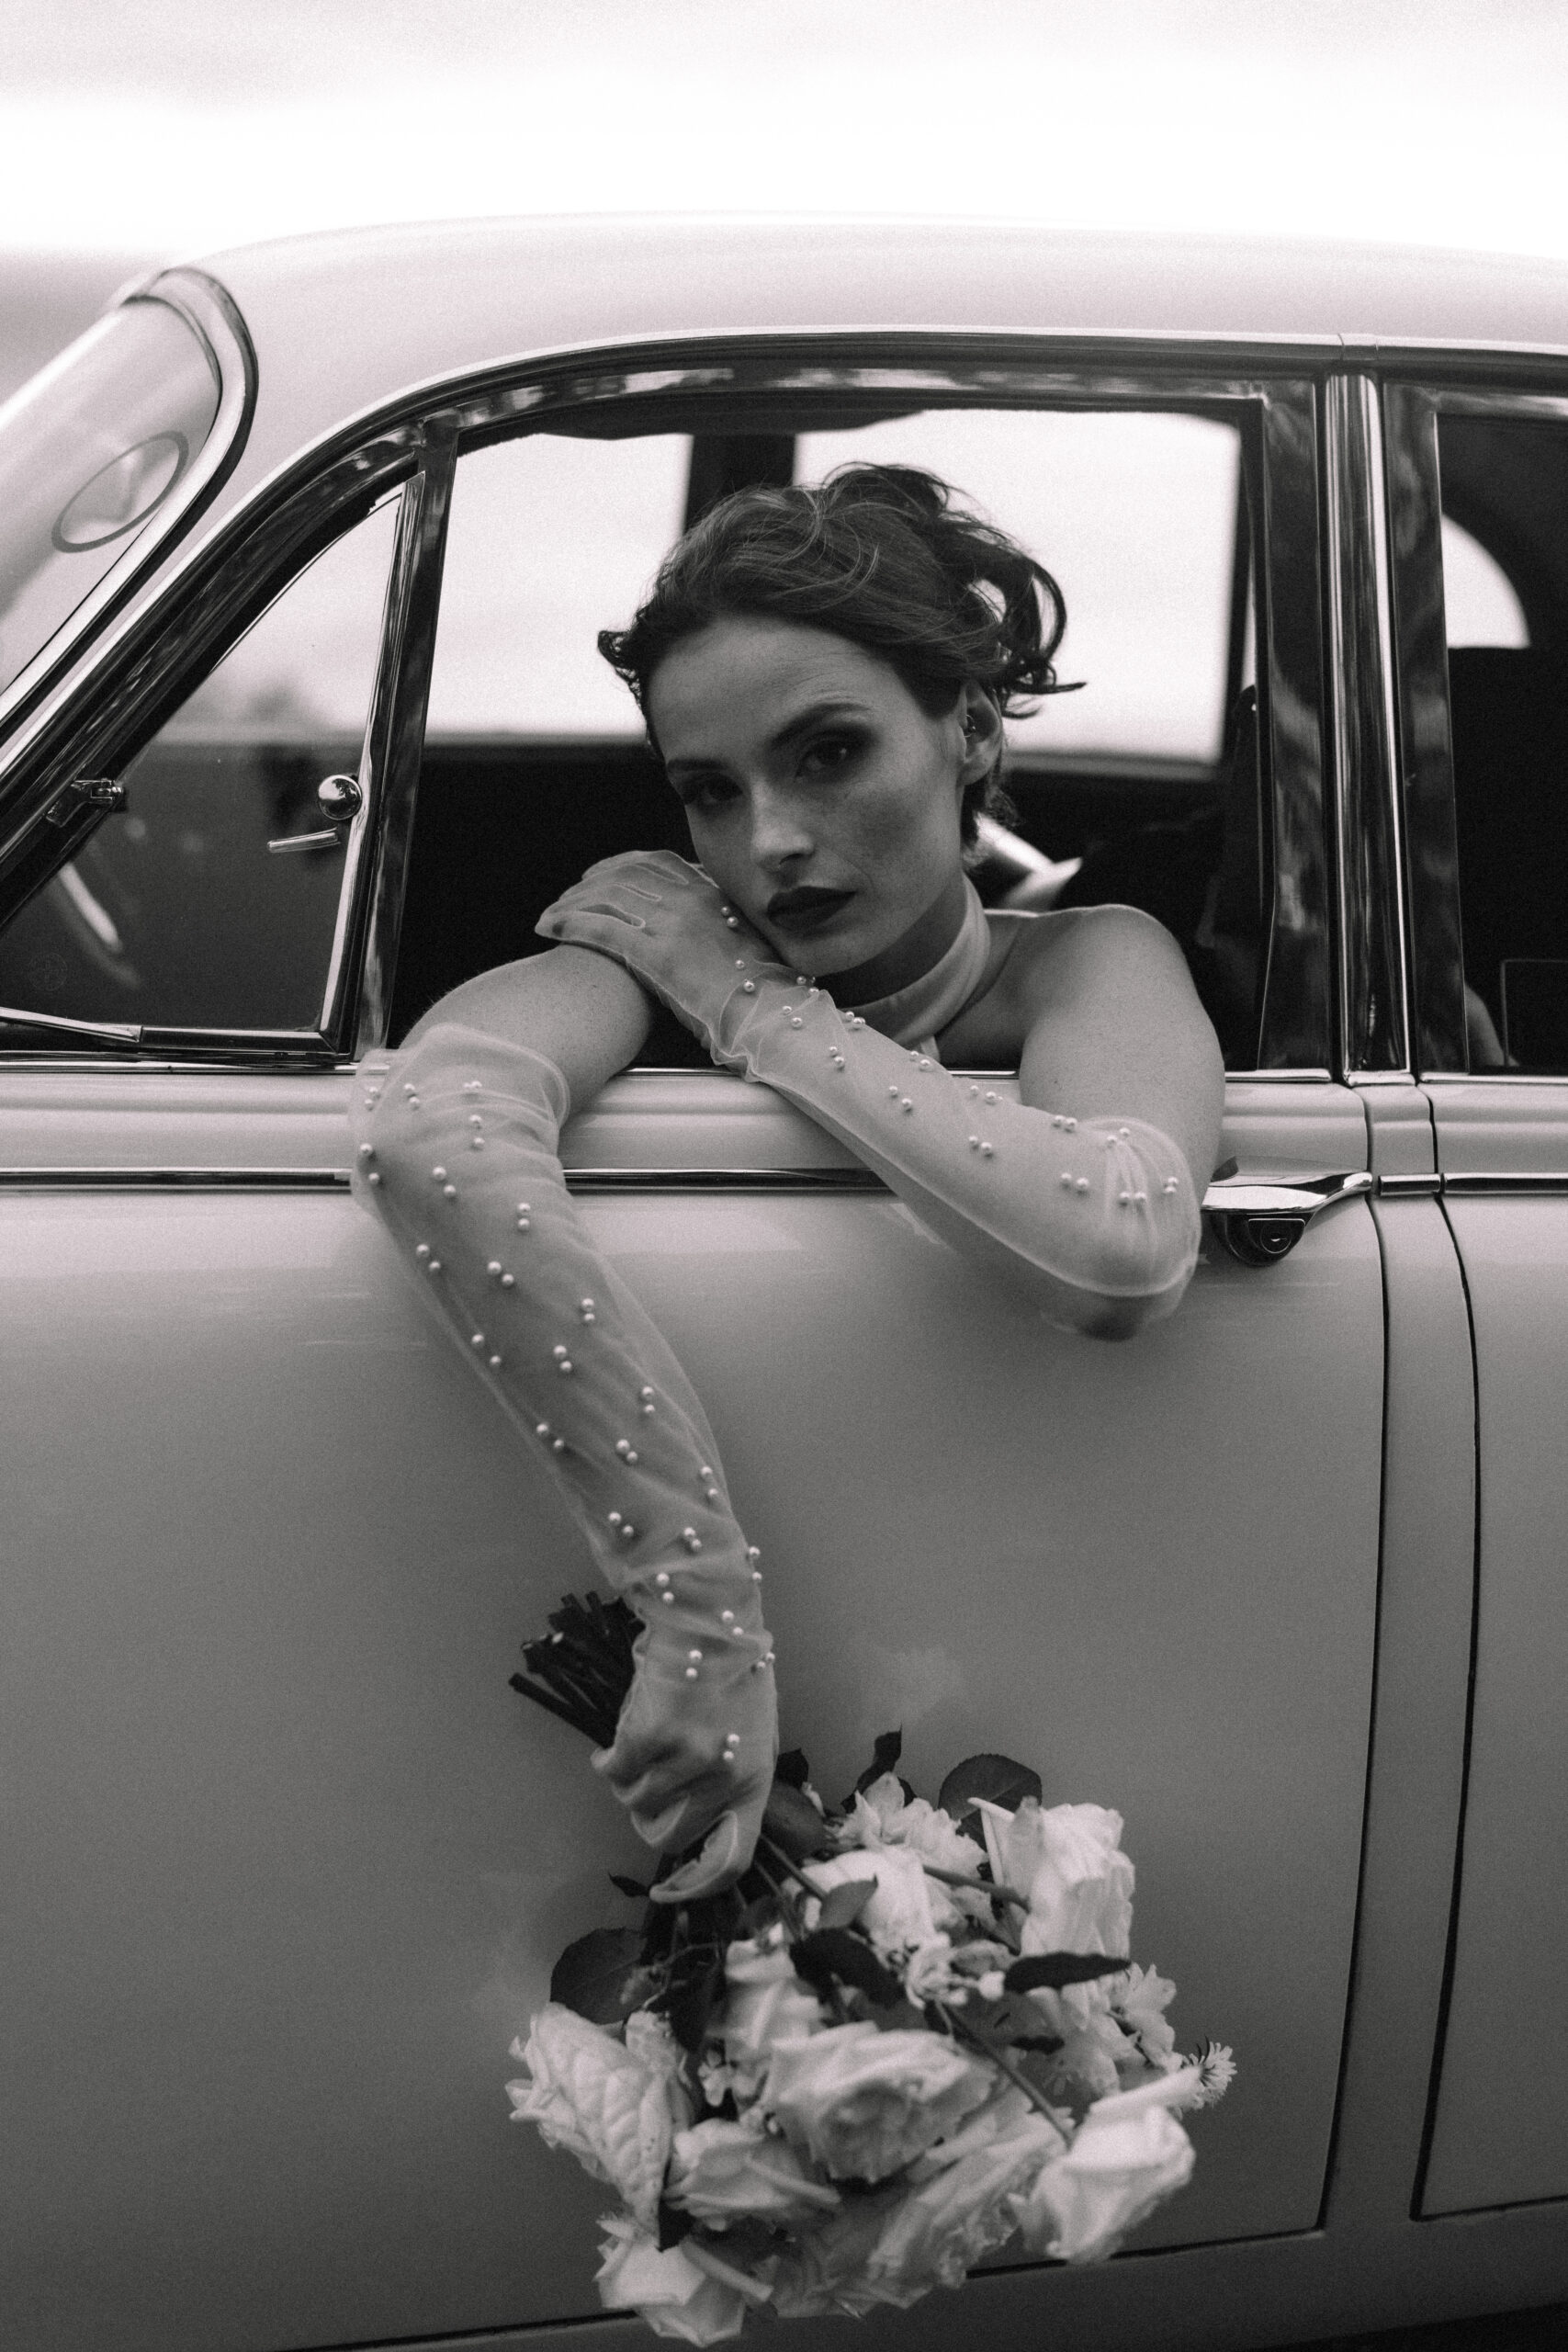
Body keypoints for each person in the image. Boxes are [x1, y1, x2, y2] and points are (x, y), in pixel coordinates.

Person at [349, 464, 1224, 1903]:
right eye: (710, 792)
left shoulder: (1088, 960)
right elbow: (430, 1133)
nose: (769, 845)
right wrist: (697, 1612)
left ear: (973, 731)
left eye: (827, 754)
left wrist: (756, 1012)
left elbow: (1122, 1247)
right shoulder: (650, 946)